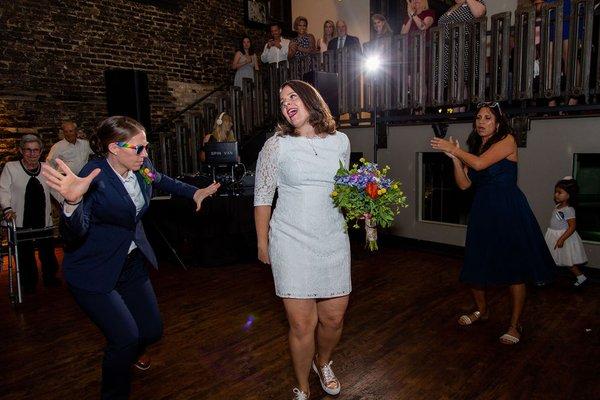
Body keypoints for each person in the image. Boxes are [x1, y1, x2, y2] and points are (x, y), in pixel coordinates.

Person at [41, 116, 220, 399]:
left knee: (152, 331)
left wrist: (194, 192)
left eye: (146, 147)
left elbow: (159, 179)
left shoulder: (141, 168)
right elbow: (74, 234)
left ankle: (129, 353)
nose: (145, 154)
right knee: (125, 338)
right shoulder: (94, 176)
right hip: (93, 268)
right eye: (139, 148)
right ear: (114, 148)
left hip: (130, 262)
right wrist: (72, 203)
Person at [254, 80, 351, 400]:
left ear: (311, 100)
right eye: (282, 101)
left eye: (292, 96)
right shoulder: (276, 145)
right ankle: (302, 386)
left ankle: (323, 362)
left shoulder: (341, 141)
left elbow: (343, 189)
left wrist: (365, 203)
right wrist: (262, 244)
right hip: (290, 240)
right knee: (301, 326)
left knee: (334, 319)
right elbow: (262, 197)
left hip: (333, 238)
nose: (286, 104)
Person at [430, 102, 555, 345]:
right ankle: (482, 310)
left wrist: (456, 151)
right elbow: (465, 184)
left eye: (487, 118)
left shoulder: (508, 140)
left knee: (514, 269)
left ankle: (514, 324)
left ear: (498, 122)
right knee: (476, 263)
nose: (481, 121)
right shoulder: (476, 146)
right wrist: (454, 158)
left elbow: (478, 165)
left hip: (508, 209)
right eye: (478, 117)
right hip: (483, 210)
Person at [0, 134, 60, 293]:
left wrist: (68, 203)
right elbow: (3, 190)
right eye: (28, 150)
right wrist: (7, 208)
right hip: (20, 218)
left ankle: (50, 277)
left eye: (35, 150)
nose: (32, 154)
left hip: (42, 217)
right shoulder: (11, 168)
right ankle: (28, 282)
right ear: (21, 151)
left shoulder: (46, 168)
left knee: (47, 250)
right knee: (24, 253)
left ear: (41, 152)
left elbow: (56, 189)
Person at [544, 177, 588, 287]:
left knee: (567, 260)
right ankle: (548, 277)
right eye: (555, 192)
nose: (556, 195)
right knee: (550, 257)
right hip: (553, 235)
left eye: (560, 192)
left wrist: (561, 239)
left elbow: (572, 227)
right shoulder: (558, 206)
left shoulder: (568, 210)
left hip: (563, 237)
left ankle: (581, 277)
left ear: (569, 195)